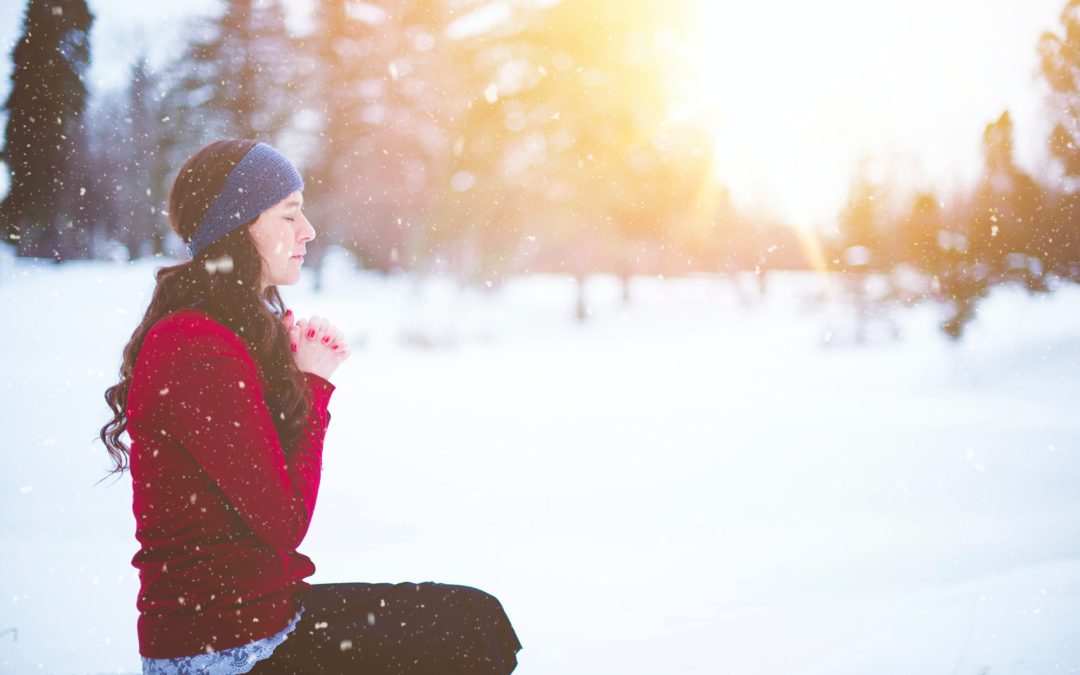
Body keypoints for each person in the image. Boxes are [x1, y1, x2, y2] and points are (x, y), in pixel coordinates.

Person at [99, 139, 523, 674]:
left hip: (267, 619)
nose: (309, 231)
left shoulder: (225, 332)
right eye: (289, 214)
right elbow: (284, 520)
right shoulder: (195, 346)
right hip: (223, 652)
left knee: (475, 621)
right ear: (240, 225)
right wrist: (313, 384)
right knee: (465, 639)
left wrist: (293, 377)